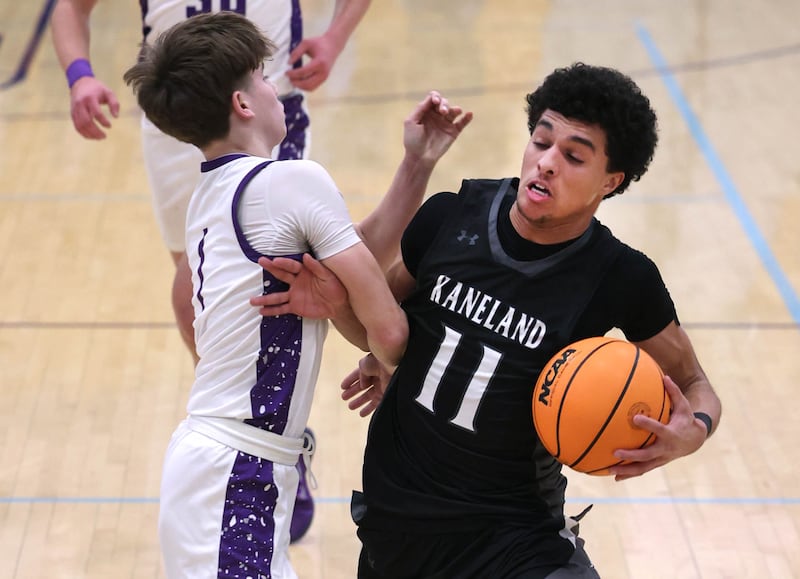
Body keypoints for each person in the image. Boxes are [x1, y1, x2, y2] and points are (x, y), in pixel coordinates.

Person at [254, 62, 722, 578]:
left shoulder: (620, 276)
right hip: (398, 522)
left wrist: (693, 431)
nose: (546, 163)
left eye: (573, 156)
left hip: (514, 537)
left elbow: (696, 384)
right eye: (541, 142)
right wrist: (344, 312)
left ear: (612, 181)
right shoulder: (451, 214)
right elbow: (378, 330)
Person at [122, 10, 469, 577]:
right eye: (263, 76)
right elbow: (389, 330)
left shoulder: (217, 195)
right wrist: (386, 355)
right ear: (242, 104)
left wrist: (416, 164)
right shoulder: (287, 183)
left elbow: (350, 250)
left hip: (223, 472)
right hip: (237, 474)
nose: (273, 85)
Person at [51, 0, 372, 542]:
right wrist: (79, 76)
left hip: (268, 97)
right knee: (193, 291)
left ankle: (273, 431)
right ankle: (252, 424)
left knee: (289, 267)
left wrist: (336, 35)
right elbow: (70, 9)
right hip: (181, 106)